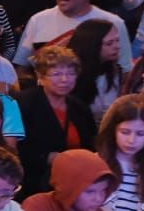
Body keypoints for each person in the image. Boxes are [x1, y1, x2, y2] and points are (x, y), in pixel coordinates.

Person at [14, 45, 96, 196]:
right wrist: (46, 157)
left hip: (74, 183)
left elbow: (90, 143)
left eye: (71, 73)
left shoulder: (79, 107)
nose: (65, 79)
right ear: (41, 76)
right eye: (57, 74)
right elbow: (15, 146)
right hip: (33, 183)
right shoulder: (23, 103)